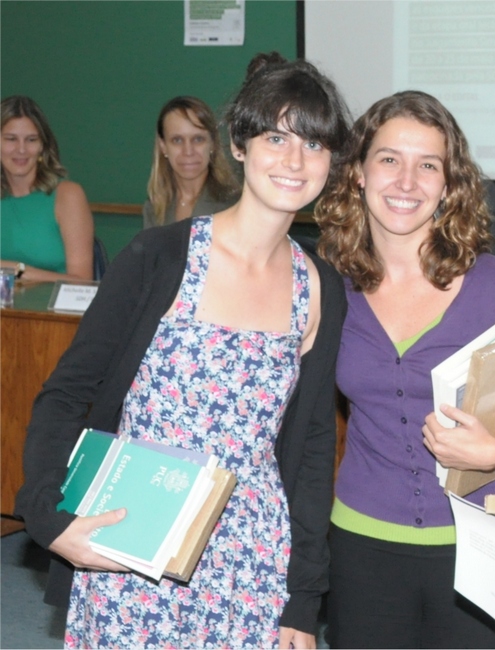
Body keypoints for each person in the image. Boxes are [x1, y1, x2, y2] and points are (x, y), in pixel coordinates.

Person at [14, 52, 351, 649]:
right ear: (240, 144)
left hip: (251, 563)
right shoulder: (160, 257)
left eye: (315, 144)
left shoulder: (320, 288)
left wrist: (303, 600)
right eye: (277, 136)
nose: (296, 160)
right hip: (132, 545)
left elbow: (311, 451)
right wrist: (49, 516)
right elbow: (68, 393)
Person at [315, 90, 495, 649]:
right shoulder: (327, 287)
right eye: (389, 159)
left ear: (449, 185)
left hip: (484, 547)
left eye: (428, 165)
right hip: (361, 548)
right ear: (358, 174)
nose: (407, 181)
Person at [1, 95, 94, 282]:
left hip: (52, 311)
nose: (21, 149)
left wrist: (15, 270)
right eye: (11, 139)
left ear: (42, 146)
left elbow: (83, 281)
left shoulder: (68, 195)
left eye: (31, 140)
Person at [143, 95, 240, 229]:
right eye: (177, 140)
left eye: (198, 139)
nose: (188, 151)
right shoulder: (154, 208)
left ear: (212, 143)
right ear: (163, 146)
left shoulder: (235, 204)